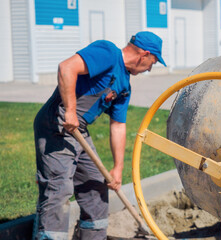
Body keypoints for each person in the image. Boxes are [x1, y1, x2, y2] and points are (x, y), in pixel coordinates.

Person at [33, 31, 166, 240]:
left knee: (96, 184)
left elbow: (118, 126)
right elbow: (66, 67)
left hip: (79, 129)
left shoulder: (124, 86)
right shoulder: (108, 52)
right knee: (58, 187)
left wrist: (118, 168)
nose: (150, 68)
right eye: (153, 62)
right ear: (144, 55)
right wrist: (70, 109)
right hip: (57, 123)